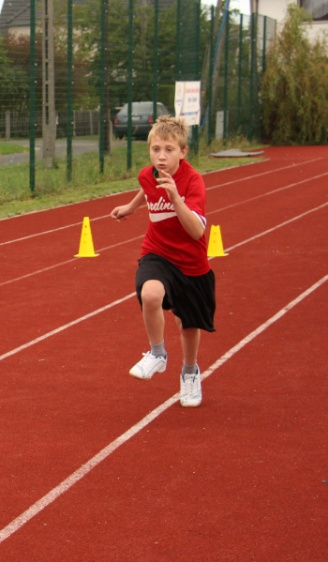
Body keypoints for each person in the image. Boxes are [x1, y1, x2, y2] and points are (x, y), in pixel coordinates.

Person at [109, 115, 214, 407]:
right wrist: (130, 207)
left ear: (183, 152)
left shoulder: (194, 182)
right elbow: (148, 186)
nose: (162, 156)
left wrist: (176, 198)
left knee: (187, 324)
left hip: (191, 262)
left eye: (169, 149)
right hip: (157, 251)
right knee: (150, 293)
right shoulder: (148, 174)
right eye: (156, 149)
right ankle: (157, 353)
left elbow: (196, 231)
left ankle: (190, 373)